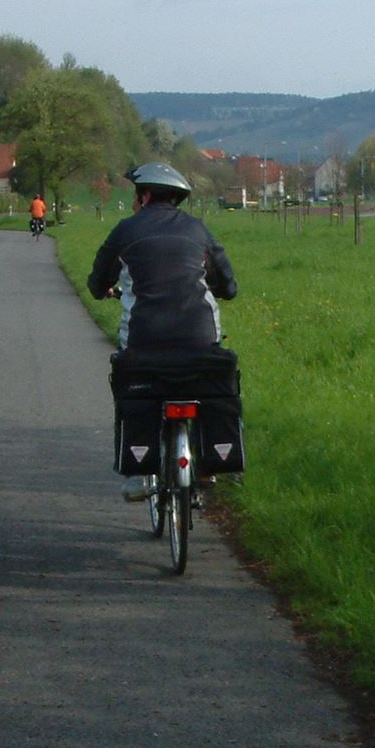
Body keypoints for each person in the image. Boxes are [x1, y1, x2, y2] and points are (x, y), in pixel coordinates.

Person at [88, 162, 238, 498]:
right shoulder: (198, 230)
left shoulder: (125, 231)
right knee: (210, 385)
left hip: (144, 345)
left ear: (144, 196)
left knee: (132, 391)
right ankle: (209, 464)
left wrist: (103, 289)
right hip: (200, 343)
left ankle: (139, 474)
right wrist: (221, 289)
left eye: (135, 195)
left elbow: (98, 281)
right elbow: (227, 284)